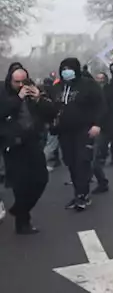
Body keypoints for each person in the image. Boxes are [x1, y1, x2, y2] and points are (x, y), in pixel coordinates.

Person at [1, 65, 58, 233]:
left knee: (41, 179)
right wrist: (18, 98)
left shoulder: (35, 92)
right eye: (16, 82)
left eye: (22, 81)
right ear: (10, 80)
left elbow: (51, 113)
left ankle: (19, 209)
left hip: (33, 142)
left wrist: (39, 99)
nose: (20, 85)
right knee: (21, 185)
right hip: (13, 145)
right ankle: (23, 223)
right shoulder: (4, 94)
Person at [52, 58, 106, 211]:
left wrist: (97, 124)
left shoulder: (88, 85)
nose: (66, 72)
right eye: (63, 69)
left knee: (82, 161)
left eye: (69, 68)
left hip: (84, 130)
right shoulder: (58, 88)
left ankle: (83, 195)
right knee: (70, 163)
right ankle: (78, 193)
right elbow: (52, 106)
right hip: (65, 131)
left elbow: (101, 105)